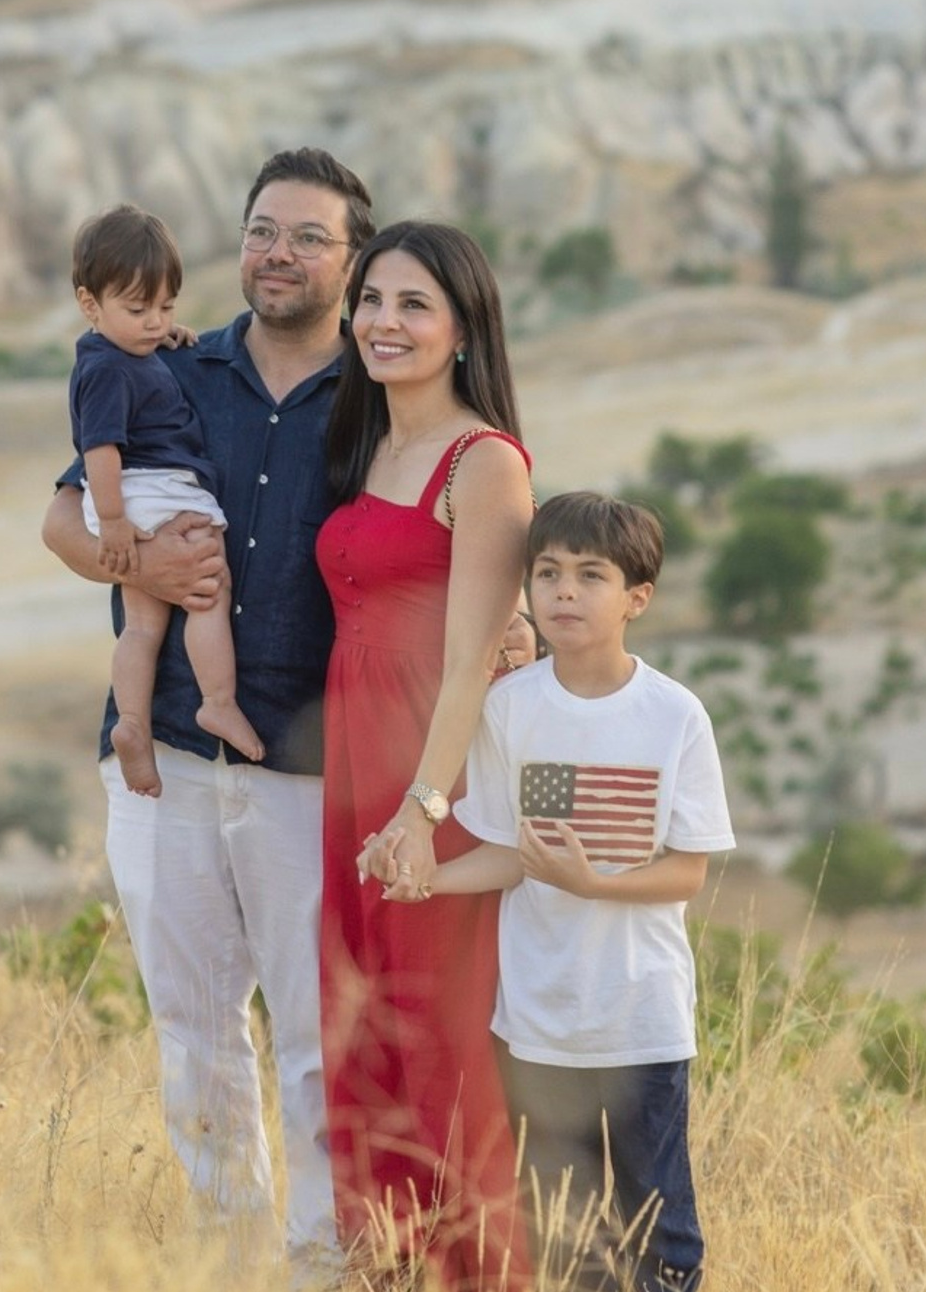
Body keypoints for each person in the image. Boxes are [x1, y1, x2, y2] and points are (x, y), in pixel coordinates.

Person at [40, 147, 375, 1269]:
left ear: (352, 260)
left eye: (309, 236)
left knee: (318, 1035)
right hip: (167, 757)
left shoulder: (378, 395)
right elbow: (63, 522)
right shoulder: (173, 366)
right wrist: (139, 569)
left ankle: (322, 1262)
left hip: (310, 770)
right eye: (263, 230)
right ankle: (231, 1263)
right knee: (193, 1030)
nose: (279, 253)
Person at [408, 492, 735, 1292]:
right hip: (538, 1023)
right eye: (548, 572)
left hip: (641, 1019)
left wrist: (594, 884)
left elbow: (688, 870)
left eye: (591, 576)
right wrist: (429, 880)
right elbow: (511, 853)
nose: (563, 591)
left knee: (659, 1231)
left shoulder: (673, 716)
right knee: (562, 1234)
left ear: (636, 598)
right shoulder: (510, 708)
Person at [319, 220, 535, 1291]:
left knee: (442, 1047)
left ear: (463, 329)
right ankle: (386, 1268)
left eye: (414, 304)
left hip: (430, 772)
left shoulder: (481, 460)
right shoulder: (367, 443)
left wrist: (422, 807)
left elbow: (471, 660)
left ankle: (485, 1274)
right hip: (353, 766)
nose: (384, 322)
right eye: (371, 299)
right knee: (363, 1038)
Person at [69, 202, 265, 796]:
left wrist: (159, 341)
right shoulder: (107, 370)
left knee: (142, 626)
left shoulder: (121, 353)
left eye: (166, 308)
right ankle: (218, 701)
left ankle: (132, 722)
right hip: (151, 492)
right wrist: (113, 523)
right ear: (89, 305)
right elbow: (100, 447)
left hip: (137, 498)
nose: (155, 323)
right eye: (138, 310)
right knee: (208, 587)